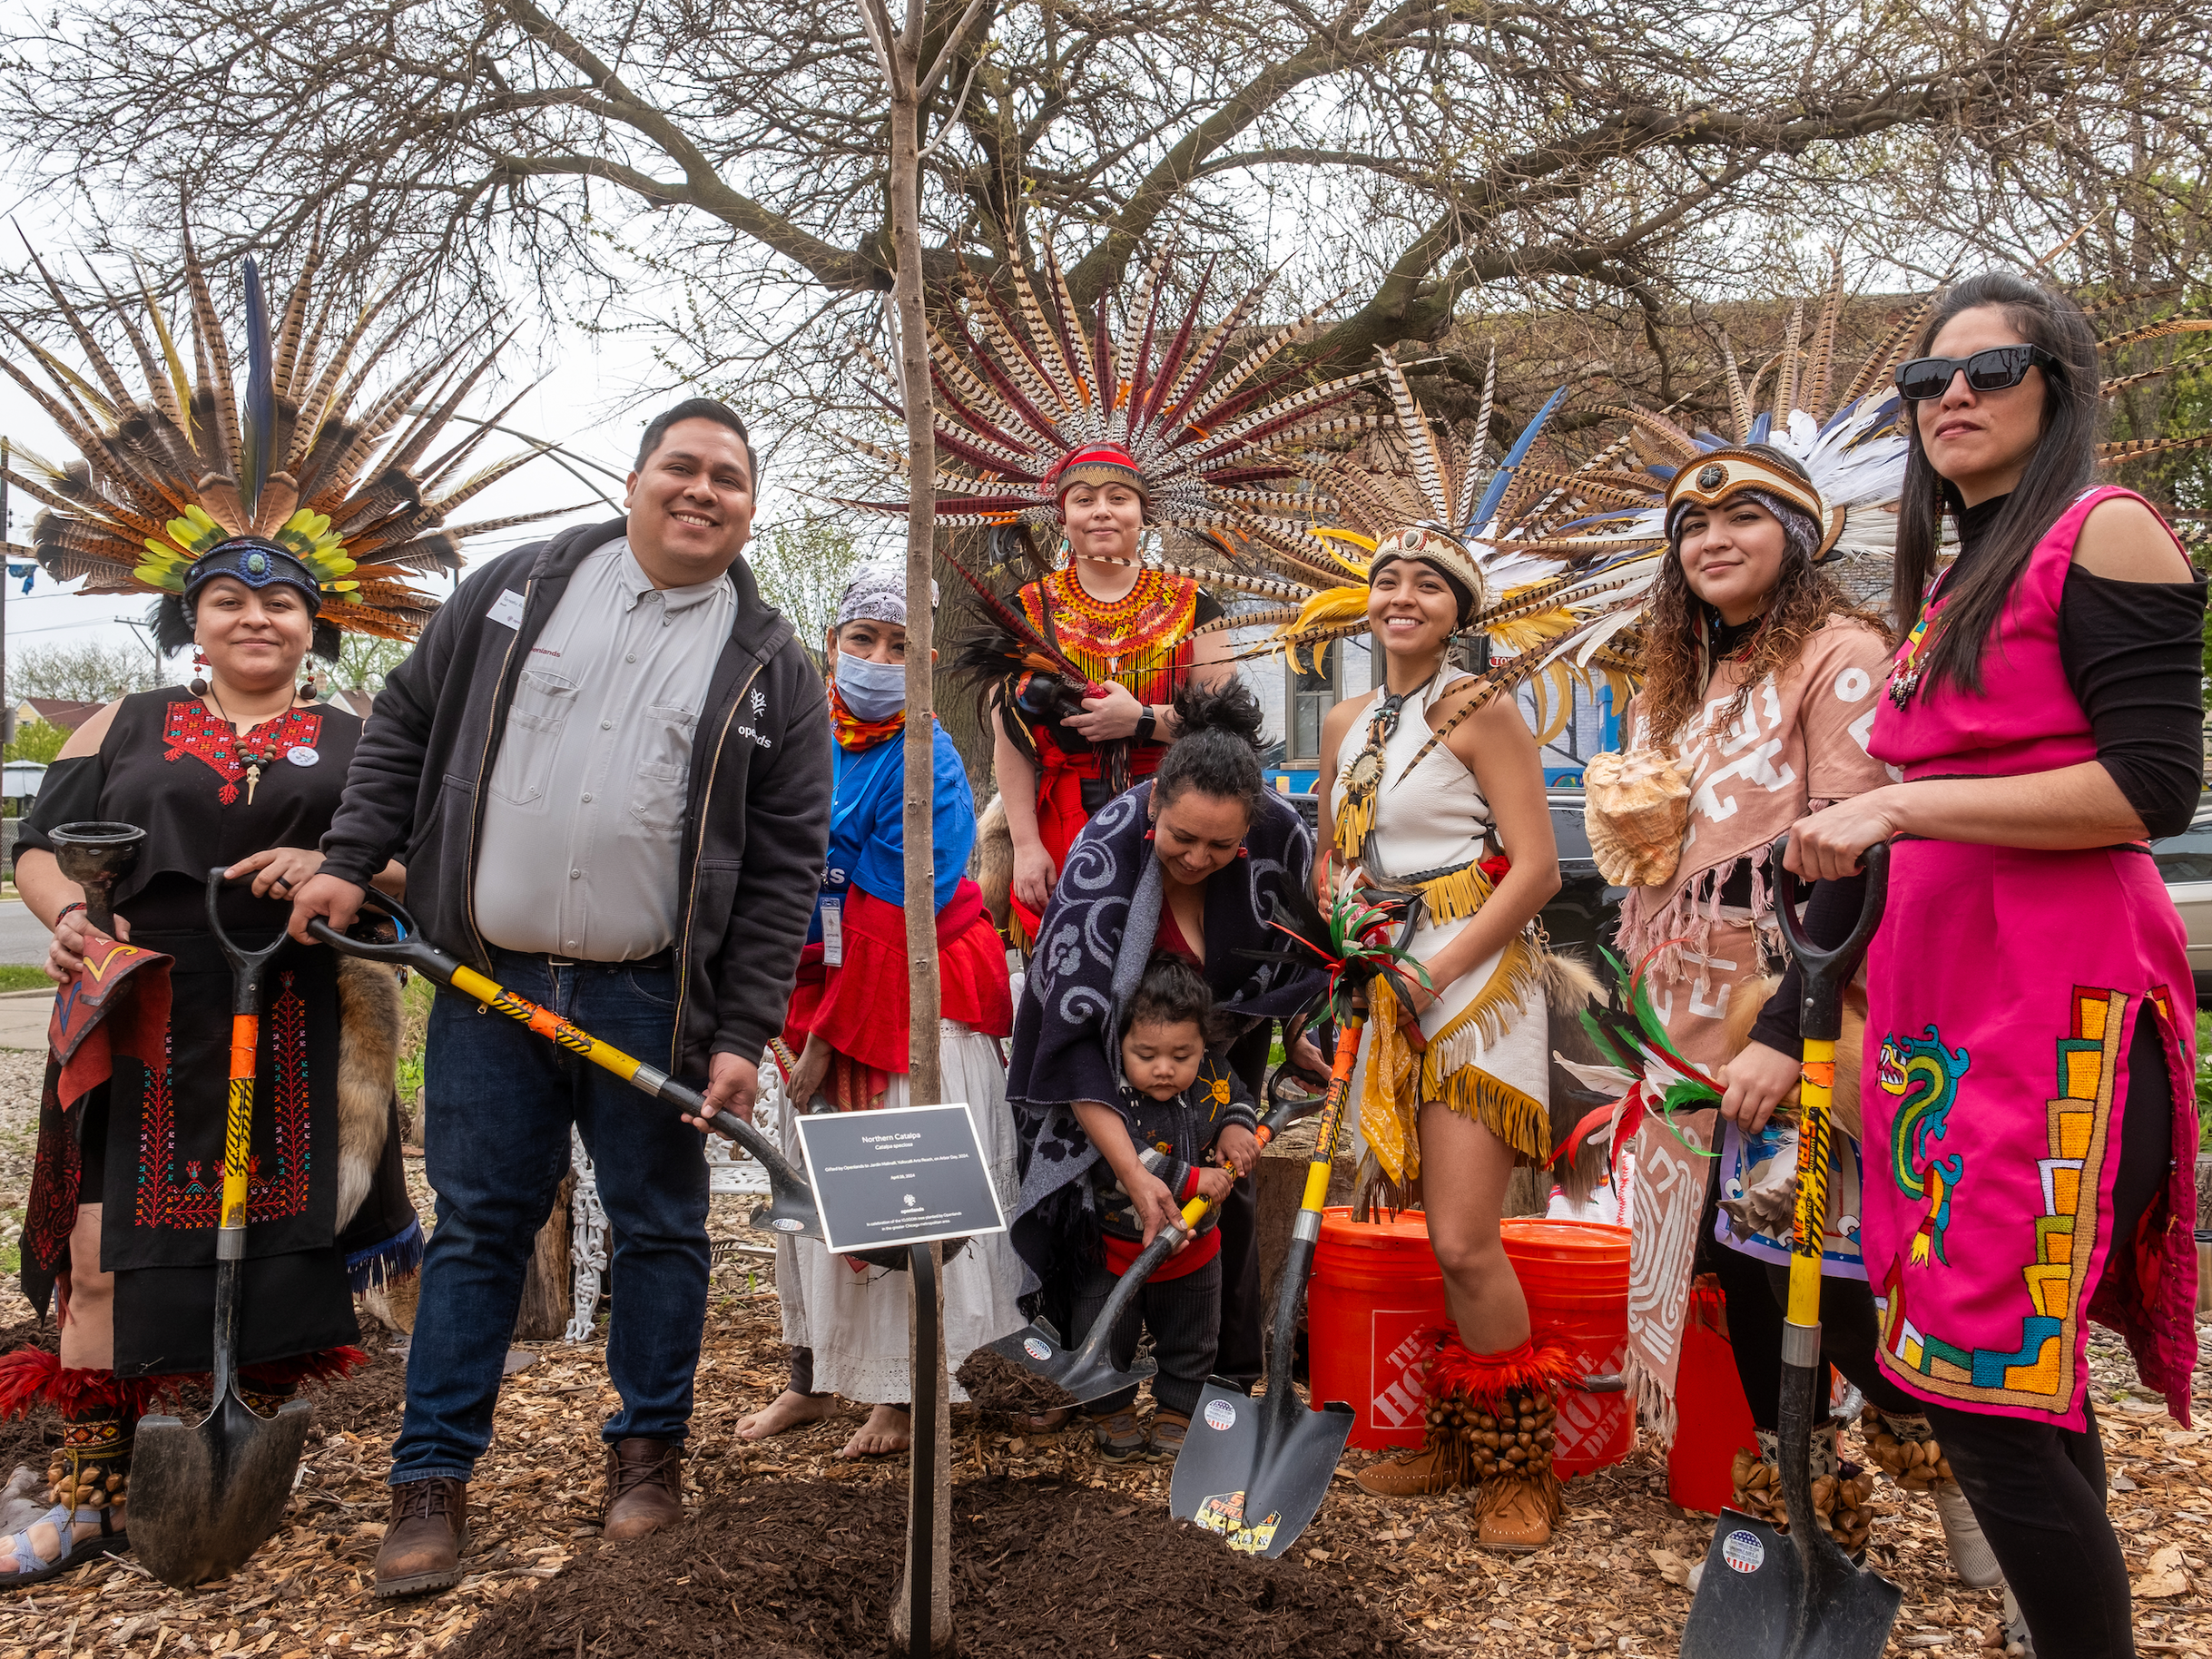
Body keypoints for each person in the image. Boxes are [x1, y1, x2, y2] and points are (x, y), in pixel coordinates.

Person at [0, 241, 503, 1588]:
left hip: (297, 1013)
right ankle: (93, 1483)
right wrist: (63, 920)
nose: (254, 617)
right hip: (143, 1004)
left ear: (314, 622)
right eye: (228, 599)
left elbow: (420, 870)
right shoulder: (128, 720)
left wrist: (346, 876)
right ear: (192, 616)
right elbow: (39, 851)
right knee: (107, 1248)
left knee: (279, 1245)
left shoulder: (360, 736)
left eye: (279, 600)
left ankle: (230, 1434)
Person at [286, 397, 832, 1598]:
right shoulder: (513, 591)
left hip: (655, 1001)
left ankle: (647, 1464)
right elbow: (401, 730)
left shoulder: (772, 667)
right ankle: (429, 1483)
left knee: (659, 1227)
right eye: (679, 469)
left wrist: (743, 1031)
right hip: (488, 981)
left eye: (728, 479)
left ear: (751, 507)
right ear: (634, 479)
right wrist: (344, 857)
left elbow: (788, 866)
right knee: (480, 1224)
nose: (701, 492)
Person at [1789, 272, 2202, 1659]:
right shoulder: (1963, 569)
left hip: (2058, 1013)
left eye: (1990, 368)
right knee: (2013, 1386)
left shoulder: (2108, 532)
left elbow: (2152, 788)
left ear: (2058, 386)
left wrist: (1899, 805)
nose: (1948, 396)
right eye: (1926, 381)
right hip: (1942, 1024)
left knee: (1977, 1386)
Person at [1600, 439, 1998, 1581]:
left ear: (1802, 534)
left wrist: (1788, 1031)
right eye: (1690, 527)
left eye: (1741, 519)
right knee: (1740, 1269)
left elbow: (1857, 859)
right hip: (1682, 1013)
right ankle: (1807, 1518)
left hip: (1792, 1004)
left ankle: (1986, 1496)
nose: (1711, 541)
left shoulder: (1841, 655)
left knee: (1828, 1269)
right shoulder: (1676, 674)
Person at [1310, 522, 1575, 1551]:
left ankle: (1522, 1465)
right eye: (1386, 579)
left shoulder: (1481, 709)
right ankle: (1460, 1440)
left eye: (1429, 583)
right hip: (1385, 984)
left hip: (1470, 982)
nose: (1402, 595)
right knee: (1422, 1224)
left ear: (1460, 611)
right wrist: (1338, 912)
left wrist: (1438, 962)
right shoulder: (1343, 721)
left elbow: (1540, 868)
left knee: (1465, 1237)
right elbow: (1337, 854)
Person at [733, 564, 1024, 1458]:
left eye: (899, 648)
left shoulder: (927, 753)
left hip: (909, 993)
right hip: (813, 979)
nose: (876, 659)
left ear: (923, 662)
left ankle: (904, 1394)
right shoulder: (799, 734)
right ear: (832, 644)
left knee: (900, 1182)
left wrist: (827, 1040)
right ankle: (814, 1376)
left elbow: (906, 904)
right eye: (862, 640)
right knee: (807, 1183)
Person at [1005, 681, 1328, 1436]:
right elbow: (1074, 1033)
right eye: (1182, 838)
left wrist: (1299, 1032)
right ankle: (1079, 1370)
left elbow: (1299, 956)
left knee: (1227, 1195)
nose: (1198, 858)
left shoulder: (1279, 836)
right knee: (1090, 1202)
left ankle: (1221, 1375)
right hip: (1101, 1039)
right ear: (1153, 808)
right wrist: (1131, 1169)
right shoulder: (1103, 855)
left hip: (1220, 1037)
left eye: (1222, 846)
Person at [1062, 954, 1258, 1459]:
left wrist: (1237, 1126)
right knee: (1106, 1332)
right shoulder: (1113, 1092)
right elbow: (1119, 1161)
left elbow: (1238, 1098)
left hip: (1195, 1250)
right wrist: (1195, 1178)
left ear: (1202, 1045)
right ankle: (1111, 1409)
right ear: (1120, 1042)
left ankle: (1178, 1409)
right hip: (1116, 1249)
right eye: (1146, 1054)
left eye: (1182, 1055)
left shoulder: (1212, 1070)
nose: (1165, 1069)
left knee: (1193, 1340)